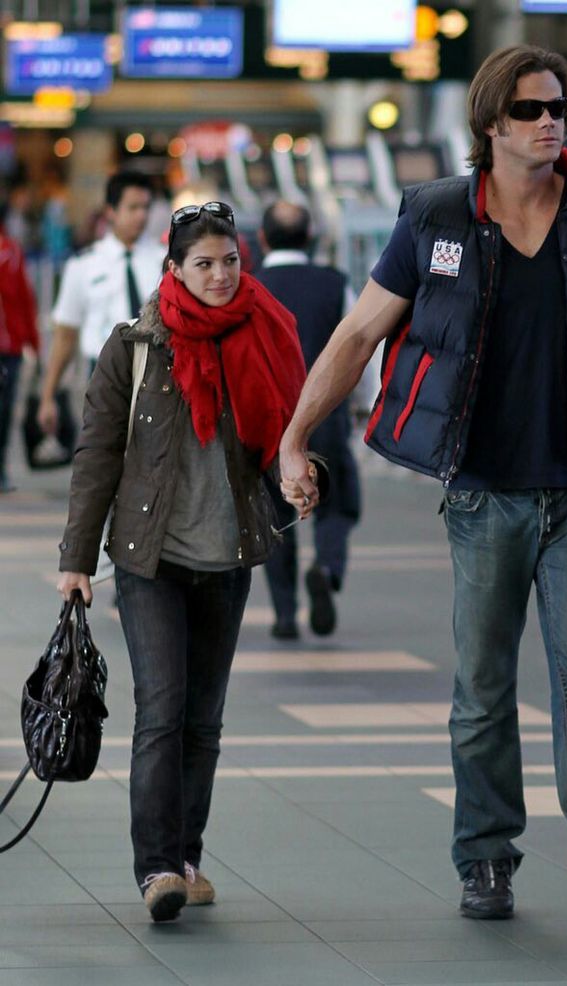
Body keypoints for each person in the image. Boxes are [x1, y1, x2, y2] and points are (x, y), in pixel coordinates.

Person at [278, 44, 567, 936]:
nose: (551, 123)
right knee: (484, 688)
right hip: (484, 494)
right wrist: (296, 436)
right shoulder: (435, 217)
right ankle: (487, 855)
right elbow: (354, 336)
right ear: (491, 123)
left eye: (559, 109)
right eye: (532, 109)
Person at [55, 200, 309, 922]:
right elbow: (97, 455)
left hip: (227, 554)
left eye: (230, 261)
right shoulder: (133, 347)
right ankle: (157, 866)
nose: (222, 275)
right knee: (162, 710)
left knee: (205, 720)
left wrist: (300, 469)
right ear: (175, 270)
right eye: (204, 264)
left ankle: (188, 854)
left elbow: (284, 428)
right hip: (150, 557)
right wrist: (76, 557)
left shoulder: (262, 334)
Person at [256, 200, 360, 638]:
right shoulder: (334, 284)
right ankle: (327, 566)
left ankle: (283, 614)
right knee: (338, 503)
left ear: (262, 239)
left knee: (277, 513)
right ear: (311, 237)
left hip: (269, 422)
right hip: (327, 416)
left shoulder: (251, 288)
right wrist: (367, 403)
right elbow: (359, 342)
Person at [37, 170, 165, 435]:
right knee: (103, 455)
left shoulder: (164, 262)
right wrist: (48, 396)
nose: (141, 215)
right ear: (111, 212)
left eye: (145, 207)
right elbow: (65, 336)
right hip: (103, 376)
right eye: (132, 207)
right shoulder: (84, 265)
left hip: (157, 374)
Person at [0, 199, 40, 492]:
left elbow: (25, 299)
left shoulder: (11, 252)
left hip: (9, 345)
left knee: (4, 409)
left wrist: (32, 342)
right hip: (10, 343)